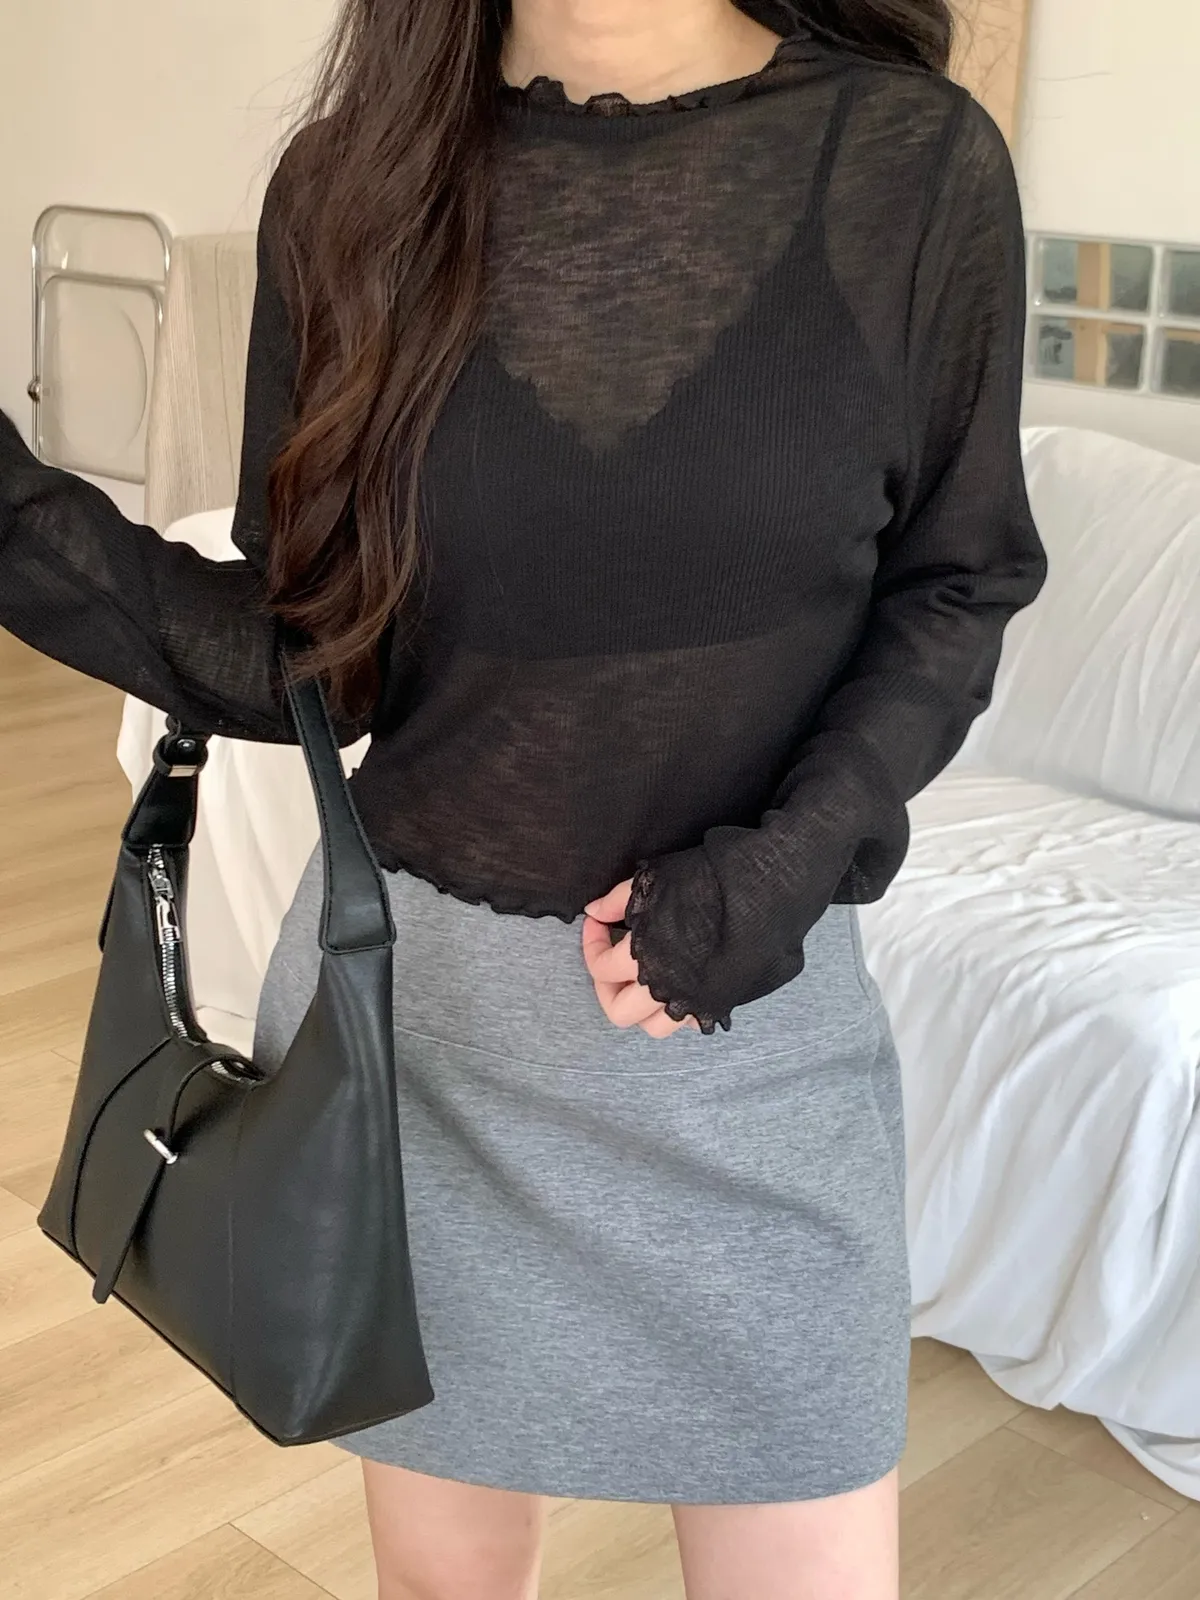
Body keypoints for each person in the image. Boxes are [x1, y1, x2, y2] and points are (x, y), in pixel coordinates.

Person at [0, 0, 1048, 1593]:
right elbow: (311, 654)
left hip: (751, 1059)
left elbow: (958, 585)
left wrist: (784, 869)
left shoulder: (909, 160)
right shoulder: (351, 186)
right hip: (425, 1057)